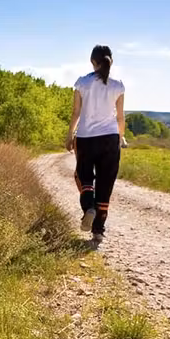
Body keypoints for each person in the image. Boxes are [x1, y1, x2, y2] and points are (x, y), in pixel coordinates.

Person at [64, 45, 125, 243]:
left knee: (83, 176)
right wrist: (121, 138)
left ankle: (88, 207)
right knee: (105, 184)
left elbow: (76, 112)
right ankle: (98, 230)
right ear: (110, 61)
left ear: (92, 62)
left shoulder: (82, 83)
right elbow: (121, 117)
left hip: (85, 137)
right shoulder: (118, 85)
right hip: (110, 138)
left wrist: (69, 135)